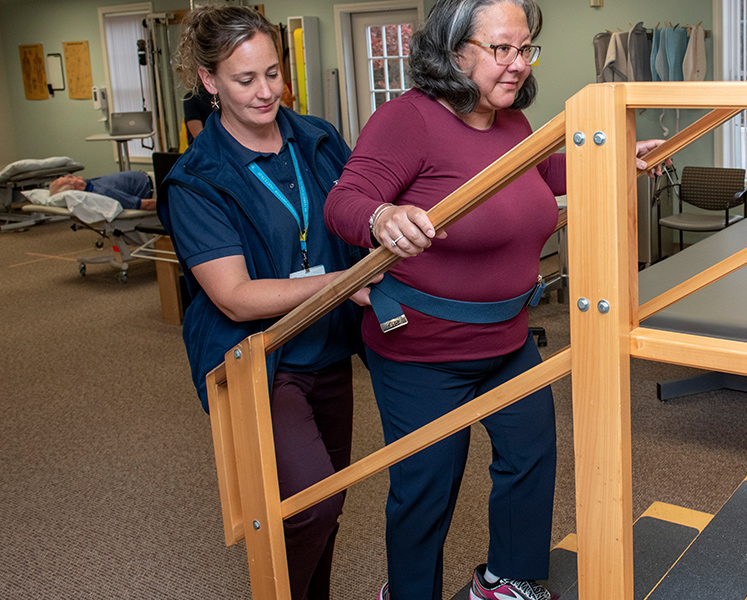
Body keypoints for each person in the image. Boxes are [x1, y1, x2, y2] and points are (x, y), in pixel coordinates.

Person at [324, 1, 664, 598]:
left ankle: (505, 580)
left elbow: (538, 176)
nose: (517, 64)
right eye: (500, 49)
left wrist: (613, 159)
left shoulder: (512, 124)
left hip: (507, 336)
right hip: (423, 348)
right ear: (454, 52)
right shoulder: (408, 120)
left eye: (525, 48)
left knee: (530, 455)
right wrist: (383, 216)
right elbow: (345, 200)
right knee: (427, 483)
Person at [161, 6, 372, 599]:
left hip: (326, 349)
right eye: (244, 79)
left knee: (329, 502)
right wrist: (339, 281)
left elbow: (361, 210)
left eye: (273, 74)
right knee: (312, 503)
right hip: (259, 360)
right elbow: (234, 297)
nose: (265, 92)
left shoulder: (318, 138)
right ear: (210, 83)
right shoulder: (198, 179)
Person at [49, 171, 155, 211]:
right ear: (74, 189)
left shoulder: (88, 185)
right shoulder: (103, 192)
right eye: (69, 179)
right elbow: (144, 205)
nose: (70, 175)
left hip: (149, 177)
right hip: (156, 186)